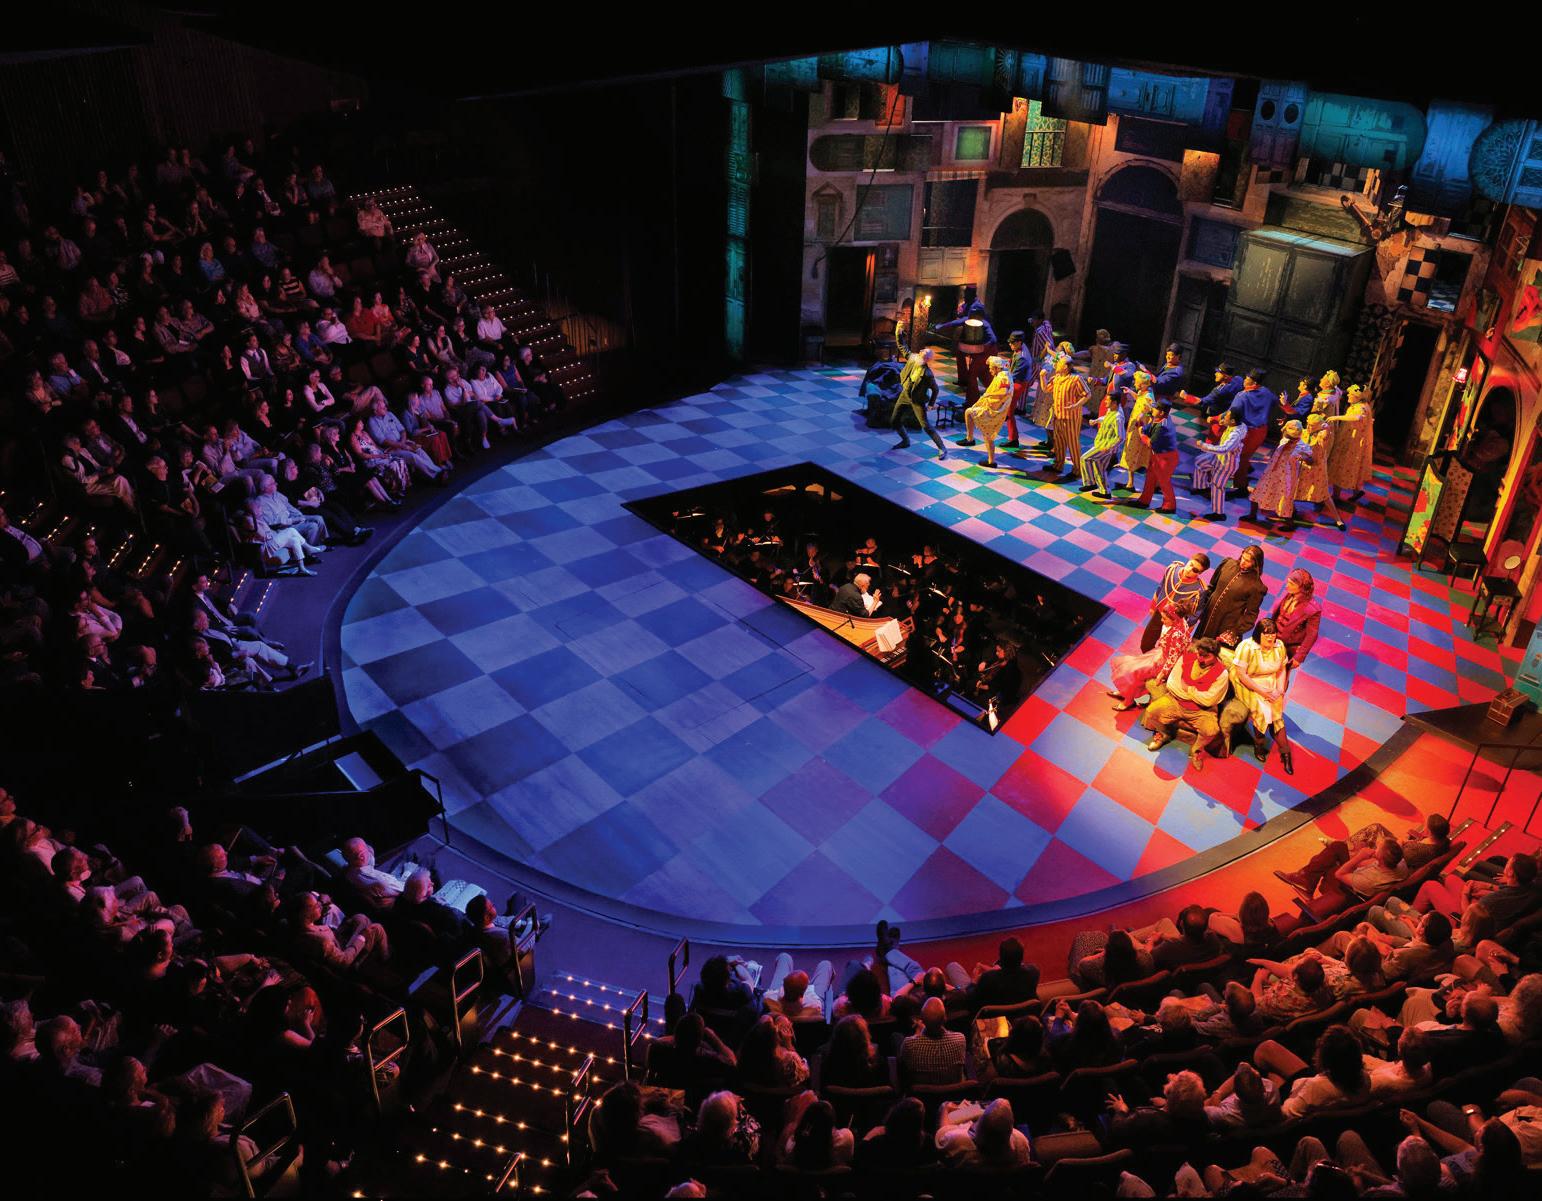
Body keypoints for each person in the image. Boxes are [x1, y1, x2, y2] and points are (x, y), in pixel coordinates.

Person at [1219, 617, 1295, 772]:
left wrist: (1279, 689)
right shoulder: (1247, 647)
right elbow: (1241, 675)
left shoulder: (1279, 646)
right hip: (1247, 682)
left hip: (1269, 681)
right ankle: (1259, 745)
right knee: (1262, 713)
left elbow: (1281, 670)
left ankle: (1285, 753)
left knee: (1276, 716)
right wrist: (1262, 692)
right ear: (1259, 634)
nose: (1270, 637)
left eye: (1273, 633)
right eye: (1266, 634)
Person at [1142, 637, 1229, 771]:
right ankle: (1164, 734)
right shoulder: (1186, 659)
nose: (1201, 659)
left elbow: (1209, 700)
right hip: (1175, 701)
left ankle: (1196, 751)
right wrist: (1195, 695)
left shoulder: (1222, 674)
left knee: (1211, 730)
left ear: (1215, 656)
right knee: (1151, 712)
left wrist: (1188, 689)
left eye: (1206, 656)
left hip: (1202, 710)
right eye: (1199, 654)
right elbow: (1172, 684)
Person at [1108, 586, 1197, 709]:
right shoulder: (1181, 622)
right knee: (1133, 664)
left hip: (1165, 662)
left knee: (1135, 671)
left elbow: (1172, 659)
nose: (1162, 620)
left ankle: (1128, 701)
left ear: (1174, 619)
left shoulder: (1177, 634)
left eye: (1164, 618)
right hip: (1162, 653)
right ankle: (1126, 692)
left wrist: (1162, 674)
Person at [1275, 835, 1408, 915]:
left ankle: (1306, 881)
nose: (1375, 848)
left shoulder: (1369, 881)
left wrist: (1359, 856)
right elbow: (1395, 849)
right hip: (1360, 873)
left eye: (1377, 848)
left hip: (1348, 892)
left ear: (1381, 858)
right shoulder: (1401, 864)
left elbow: (1339, 874)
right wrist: (1402, 841)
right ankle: (1305, 881)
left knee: (1329, 865)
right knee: (1338, 847)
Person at [1194, 545, 1267, 648]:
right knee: (1195, 648)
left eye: (1247, 561)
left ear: (1255, 563)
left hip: (1226, 626)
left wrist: (1234, 631)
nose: (1243, 562)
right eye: (1243, 557)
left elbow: (1251, 615)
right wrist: (1201, 609)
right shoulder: (1227, 564)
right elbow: (1211, 587)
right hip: (1207, 617)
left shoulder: (1257, 586)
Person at [935, 289, 996, 405]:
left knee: (973, 375)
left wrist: (983, 348)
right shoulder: (971, 318)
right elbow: (955, 323)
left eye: (972, 315)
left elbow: (993, 339)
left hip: (986, 352)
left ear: (978, 315)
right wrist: (941, 326)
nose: (970, 317)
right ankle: (991, 396)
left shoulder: (985, 324)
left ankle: (972, 402)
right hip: (978, 351)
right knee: (982, 374)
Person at [1139, 553, 1210, 652]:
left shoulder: (1199, 590)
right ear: (1188, 560)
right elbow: (1160, 587)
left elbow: (1194, 614)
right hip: (1160, 614)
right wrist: (1153, 606)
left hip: (1175, 624)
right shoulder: (1172, 570)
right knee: (1145, 645)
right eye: (1190, 564)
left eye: (1195, 570)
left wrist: (1186, 632)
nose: (1189, 570)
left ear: (1199, 573)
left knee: (1166, 651)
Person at [1227, 367, 1278, 494]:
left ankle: (1240, 487)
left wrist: (1217, 418)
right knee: (1245, 456)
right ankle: (1246, 470)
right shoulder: (1266, 392)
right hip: (1261, 431)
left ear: (1254, 382)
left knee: (1238, 457)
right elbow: (1276, 402)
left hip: (1246, 432)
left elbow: (1231, 414)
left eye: (1247, 378)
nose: (1244, 380)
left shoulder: (1242, 396)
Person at [889, 348, 946, 460]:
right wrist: (898, 336)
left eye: (926, 357)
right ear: (919, 353)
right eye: (922, 355)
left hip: (917, 401)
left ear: (928, 360)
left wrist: (931, 404)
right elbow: (902, 347)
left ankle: (942, 447)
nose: (922, 358)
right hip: (905, 395)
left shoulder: (927, 374)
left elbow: (935, 389)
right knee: (894, 420)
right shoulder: (913, 358)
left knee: (925, 426)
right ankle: (905, 440)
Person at [958, 355, 1014, 469]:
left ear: (997, 368)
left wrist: (988, 394)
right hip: (993, 408)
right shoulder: (1003, 374)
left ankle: (988, 458)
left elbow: (1004, 391)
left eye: (991, 368)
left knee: (986, 433)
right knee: (984, 431)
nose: (989, 370)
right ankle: (971, 440)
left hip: (994, 410)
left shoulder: (1003, 377)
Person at [1040, 352, 1089, 479]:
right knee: (1059, 442)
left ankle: (1077, 470)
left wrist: (1076, 405)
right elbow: (1046, 389)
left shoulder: (1076, 379)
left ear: (1066, 367)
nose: (1056, 365)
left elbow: (1087, 394)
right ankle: (1058, 465)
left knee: (1073, 444)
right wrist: (1042, 377)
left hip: (1071, 418)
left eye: (1059, 364)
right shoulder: (1057, 378)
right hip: (1058, 416)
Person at [1191, 409, 1247, 521]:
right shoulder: (1240, 425)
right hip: (1217, 458)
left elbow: (1224, 449)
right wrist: (1225, 423)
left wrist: (1203, 446)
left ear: (1232, 421)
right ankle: (1202, 487)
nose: (1223, 417)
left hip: (1226, 464)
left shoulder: (1235, 435)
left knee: (1217, 486)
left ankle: (1218, 513)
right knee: (1199, 462)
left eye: (1226, 416)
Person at [897, 997, 967, 1087]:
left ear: (922, 1019)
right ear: (945, 1018)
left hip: (922, 1095)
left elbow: (903, 1067)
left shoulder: (909, 1044)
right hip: (954, 1094)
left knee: (896, 1038)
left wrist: (917, 1034)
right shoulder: (960, 1039)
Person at [1295, 412, 1347, 529]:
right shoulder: (1304, 432)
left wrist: (1327, 428)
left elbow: (1326, 436)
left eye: (1312, 425)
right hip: (1303, 466)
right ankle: (1288, 512)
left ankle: (1338, 520)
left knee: (1324, 494)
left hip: (1317, 468)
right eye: (1308, 424)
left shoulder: (1321, 435)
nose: (1309, 427)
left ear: (1319, 426)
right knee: (1292, 488)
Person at [1327, 384, 1376, 503]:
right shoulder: (1360, 405)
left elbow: (1358, 417)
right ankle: (1356, 491)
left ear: (1357, 396)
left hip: (1351, 442)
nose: (1348, 395)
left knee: (1341, 465)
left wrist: (1336, 417)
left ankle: (1336, 496)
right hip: (1350, 440)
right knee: (1349, 466)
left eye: (1351, 394)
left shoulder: (1361, 408)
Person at [1079, 381, 1127, 498]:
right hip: (1103, 443)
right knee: (1099, 467)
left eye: (1107, 400)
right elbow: (1106, 418)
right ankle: (1105, 492)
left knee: (1085, 458)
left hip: (1105, 446)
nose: (1105, 401)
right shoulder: (1112, 410)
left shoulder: (1118, 417)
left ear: (1114, 403)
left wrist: (1109, 447)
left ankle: (1090, 483)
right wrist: (1097, 420)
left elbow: (1121, 437)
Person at [1271, 568, 1321, 672]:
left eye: (1291, 584)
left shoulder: (1312, 609)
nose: (1286, 586)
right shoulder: (1288, 594)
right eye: (1288, 582)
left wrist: (1299, 657)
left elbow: (1311, 635)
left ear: (1301, 587)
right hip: (1271, 640)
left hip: (1288, 648)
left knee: (1280, 674)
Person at [1132, 401, 1179, 512]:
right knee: (1150, 477)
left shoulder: (1162, 426)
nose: (1152, 409)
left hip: (1166, 458)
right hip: (1158, 456)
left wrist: (1141, 433)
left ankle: (1170, 506)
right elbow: (1149, 428)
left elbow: (1150, 443)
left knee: (1164, 482)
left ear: (1161, 412)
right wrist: (1142, 426)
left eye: (1155, 408)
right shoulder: (1160, 419)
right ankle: (1144, 501)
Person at [1116, 370, 1157, 492]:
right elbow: (1139, 398)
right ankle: (1130, 482)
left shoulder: (1149, 397)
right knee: (1131, 451)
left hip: (1140, 428)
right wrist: (1130, 392)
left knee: (1137, 454)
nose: (1135, 384)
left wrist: (1144, 415)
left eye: (1137, 382)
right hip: (1134, 427)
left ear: (1143, 384)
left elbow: (1154, 411)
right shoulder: (1141, 393)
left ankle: (1150, 484)